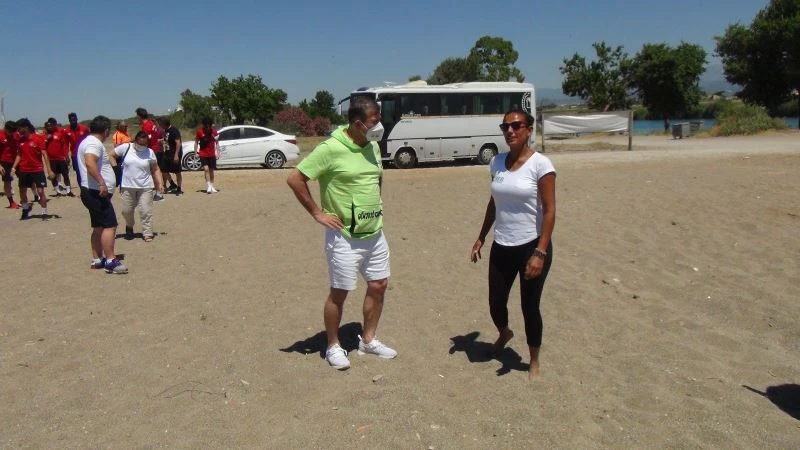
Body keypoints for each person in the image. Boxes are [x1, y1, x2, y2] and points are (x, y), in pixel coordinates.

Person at [286, 96, 397, 370]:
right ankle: (333, 346)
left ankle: (368, 340)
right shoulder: (331, 148)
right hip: (344, 236)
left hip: (374, 233)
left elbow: (376, 178)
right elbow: (295, 178)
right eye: (374, 121)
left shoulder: (372, 146)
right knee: (340, 292)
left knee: (379, 285)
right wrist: (317, 213)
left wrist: (374, 203)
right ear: (358, 123)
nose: (379, 126)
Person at [470, 109, 556, 381]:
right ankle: (504, 332)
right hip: (502, 245)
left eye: (516, 125)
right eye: (505, 126)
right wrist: (482, 236)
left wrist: (540, 251)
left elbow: (550, 211)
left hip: (532, 246)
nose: (510, 131)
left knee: (529, 306)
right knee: (495, 301)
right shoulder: (496, 162)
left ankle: (533, 361)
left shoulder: (541, 165)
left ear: (529, 129)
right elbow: (494, 202)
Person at [77, 115, 127, 274]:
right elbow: (90, 162)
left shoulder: (87, 141)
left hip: (90, 191)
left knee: (98, 227)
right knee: (110, 225)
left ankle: (98, 258)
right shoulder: (93, 143)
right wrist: (101, 182)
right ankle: (111, 260)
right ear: (106, 131)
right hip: (95, 192)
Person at [114, 131, 164, 242]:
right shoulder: (126, 148)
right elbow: (111, 155)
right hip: (127, 186)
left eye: (145, 144)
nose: (142, 146)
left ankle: (147, 232)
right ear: (135, 141)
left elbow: (155, 169)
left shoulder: (150, 152)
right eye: (140, 143)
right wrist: (116, 169)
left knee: (146, 210)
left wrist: (160, 183)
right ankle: (129, 226)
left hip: (145, 186)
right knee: (126, 211)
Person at [11, 118, 53, 220]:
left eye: (19, 128)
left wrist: (49, 170)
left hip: (37, 170)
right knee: (22, 191)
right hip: (24, 170)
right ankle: (25, 210)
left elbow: (45, 154)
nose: (18, 131)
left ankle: (44, 212)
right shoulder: (20, 140)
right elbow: (19, 155)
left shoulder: (38, 138)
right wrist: (14, 167)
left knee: (40, 191)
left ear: (26, 127)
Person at [136, 108, 164, 200]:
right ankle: (157, 190)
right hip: (155, 149)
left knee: (154, 172)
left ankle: (159, 192)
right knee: (154, 171)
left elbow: (145, 140)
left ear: (139, 116)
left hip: (152, 150)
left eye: (137, 116)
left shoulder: (147, 126)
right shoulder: (150, 124)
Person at [42, 118, 74, 197]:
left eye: (51, 126)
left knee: (65, 175)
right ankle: (58, 192)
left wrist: (66, 156)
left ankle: (68, 191)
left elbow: (64, 146)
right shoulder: (44, 136)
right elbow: (42, 147)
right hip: (51, 160)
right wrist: (46, 139)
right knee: (53, 176)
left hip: (61, 159)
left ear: (53, 126)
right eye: (48, 126)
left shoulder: (59, 134)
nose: (49, 127)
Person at [158, 116, 183, 195]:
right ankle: (172, 184)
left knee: (177, 172)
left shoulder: (174, 130)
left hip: (174, 153)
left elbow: (178, 143)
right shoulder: (166, 130)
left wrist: (176, 155)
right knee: (163, 170)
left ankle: (179, 188)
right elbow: (168, 139)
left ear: (164, 123)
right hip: (167, 153)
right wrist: (161, 140)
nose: (159, 125)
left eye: (160, 124)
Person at [63, 112, 90, 186]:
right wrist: (66, 156)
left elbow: (90, 139)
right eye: (71, 120)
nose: (73, 121)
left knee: (88, 170)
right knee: (78, 172)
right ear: (69, 120)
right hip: (75, 155)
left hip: (85, 153)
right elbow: (66, 144)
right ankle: (82, 188)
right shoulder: (67, 131)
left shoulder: (84, 129)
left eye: (74, 119)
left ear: (77, 119)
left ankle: (89, 186)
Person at [194, 117, 220, 194]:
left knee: (211, 170)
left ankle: (212, 186)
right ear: (204, 125)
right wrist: (195, 152)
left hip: (211, 154)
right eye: (206, 126)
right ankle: (208, 186)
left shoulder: (214, 132)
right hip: (203, 153)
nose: (208, 127)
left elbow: (217, 143)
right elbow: (196, 142)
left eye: (209, 125)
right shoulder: (199, 131)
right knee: (206, 169)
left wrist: (218, 152)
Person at [0, 121, 20, 208]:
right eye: (10, 132)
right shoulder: (0, 135)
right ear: (5, 128)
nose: (11, 133)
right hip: (4, 162)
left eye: (13, 132)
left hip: (16, 161)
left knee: (24, 178)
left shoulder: (16, 135)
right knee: (7, 182)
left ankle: (24, 199)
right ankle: (11, 202)